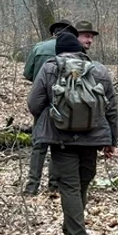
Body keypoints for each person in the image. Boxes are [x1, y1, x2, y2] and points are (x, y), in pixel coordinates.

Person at [28, 32, 118, 235]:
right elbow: (112, 109)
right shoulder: (99, 70)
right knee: (82, 185)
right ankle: (72, 232)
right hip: (93, 139)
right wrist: (111, 141)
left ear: (59, 50)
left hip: (61, 138)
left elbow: (34, 103)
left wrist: (51, 115)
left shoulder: (50, 68)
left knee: (70, 187)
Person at [22, 20, 79, 195]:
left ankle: (32, 187)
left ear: (53, 33)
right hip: (67, 106)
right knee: (60, 144)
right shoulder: (75, 51)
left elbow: (28, 74)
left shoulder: (39, 48)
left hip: (43, 104)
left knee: (39, 145)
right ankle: (54, 185)